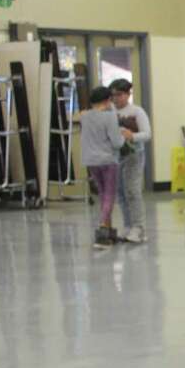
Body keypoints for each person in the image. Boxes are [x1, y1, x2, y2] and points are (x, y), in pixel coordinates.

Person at [80, 85, 125, 248]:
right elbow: (117, 142)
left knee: (102, 194)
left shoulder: (85, 117)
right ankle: (102, 230)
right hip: (107, 161)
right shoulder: (109, 117)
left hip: (91, 161)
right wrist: (124, 136)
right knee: (109, 196)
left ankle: (108, 231)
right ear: (107, 100)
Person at [110, 78, 151, 243]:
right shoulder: (110, 112)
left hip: (134, 156)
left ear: (128, 94)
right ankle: (127, 225)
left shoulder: (137, 111)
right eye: (113, 95)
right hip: (116, 156)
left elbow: (147, 134)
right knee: (120, 193)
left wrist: (132, 136)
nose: (116, 98)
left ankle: (138, 227)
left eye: (119, 95)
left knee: (132, 191)